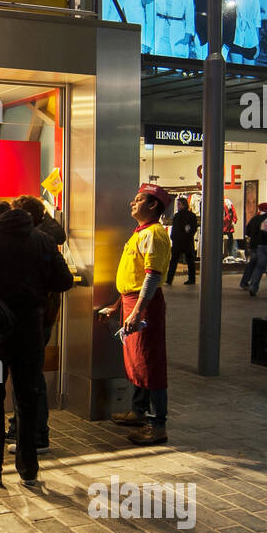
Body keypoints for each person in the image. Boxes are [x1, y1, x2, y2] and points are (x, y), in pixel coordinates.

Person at [0, 197, 73, 487]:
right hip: (30, 336)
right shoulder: (43, 241)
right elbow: (63, 281)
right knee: (27, 395)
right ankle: (28, 469)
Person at [98, 184, 173, 445]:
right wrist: (118, 306)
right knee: (137, 362)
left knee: (149, 363)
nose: (132, 202)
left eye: (139, 199)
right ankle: (139, 412)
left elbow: (152, 275)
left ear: (153, 206)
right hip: (132, 304)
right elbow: (134, 276)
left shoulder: (155, 234)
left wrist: (138, 309)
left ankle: (157, 424)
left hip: (145, 306)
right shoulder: (140, 233)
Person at [6, 195, 68, 455]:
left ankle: (36, 435)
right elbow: (62, 280)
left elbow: (62, 280)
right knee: (27, 375)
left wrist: (34, 291)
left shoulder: (35, 239)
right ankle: (20, 427)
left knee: (27, 377)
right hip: (40, 316)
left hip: (31, 318)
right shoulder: (46, 237)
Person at [167, 196, 198, 285]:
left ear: (184, 205)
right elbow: (193, 228)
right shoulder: (191, 215)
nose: (177, 206)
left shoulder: (178, 216)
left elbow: (175, 229)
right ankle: (191, 279)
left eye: (179, 204)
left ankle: (169, 279)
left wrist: (173, 237)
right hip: (186, 241)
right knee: (189, 261)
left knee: (174, 260)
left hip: (179, 241)